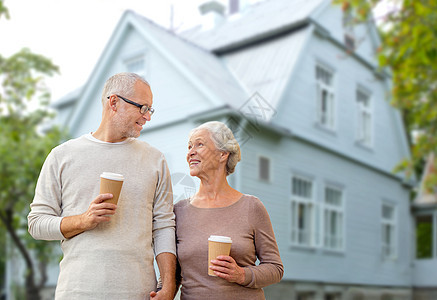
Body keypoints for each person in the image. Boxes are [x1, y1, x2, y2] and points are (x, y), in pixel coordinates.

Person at [28, 72, 176, 300]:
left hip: (138, 293)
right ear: (114, 102)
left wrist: (167, 285)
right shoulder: (62, 156)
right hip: (77, 292)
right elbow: (37, 223)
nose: (147, 117)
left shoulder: (155, 160)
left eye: (150, 110)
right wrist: (84, 220)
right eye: (142, 108)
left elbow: (164, 226)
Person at [174, 121, 284, 299]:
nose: (190, 152)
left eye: (199, 144)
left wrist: (241, 275)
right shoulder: (179, 211)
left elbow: (275, 268)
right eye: (189, 146)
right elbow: (173, 274)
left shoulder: (251, 207)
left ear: (223, 154)